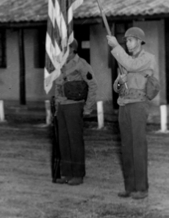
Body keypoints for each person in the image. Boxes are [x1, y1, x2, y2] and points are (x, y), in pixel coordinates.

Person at [107, 27, 156, 200]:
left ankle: (141, 188)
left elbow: (132, 65)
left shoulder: (147, 58)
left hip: (138, 105)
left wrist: (114, 46)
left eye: (130, 40)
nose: (127, 44)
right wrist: (120, 81)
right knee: (126, 147)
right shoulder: (124, 60)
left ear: (139, 41)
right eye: (125, 41)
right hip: (124, 105)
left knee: (138, 147)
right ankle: (129, 186)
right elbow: (116, 88)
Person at [51, 40, 97, 185]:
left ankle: (78, 175)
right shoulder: (60, 65)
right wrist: (57, 110)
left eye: (66, 50)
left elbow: (93, 85)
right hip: (62, 107)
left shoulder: (81, 64)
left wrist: (88, 108)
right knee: (63, 142)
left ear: (73, 50)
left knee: (75, 141)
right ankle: (66, 173)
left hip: (74, 106)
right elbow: (58, 87)